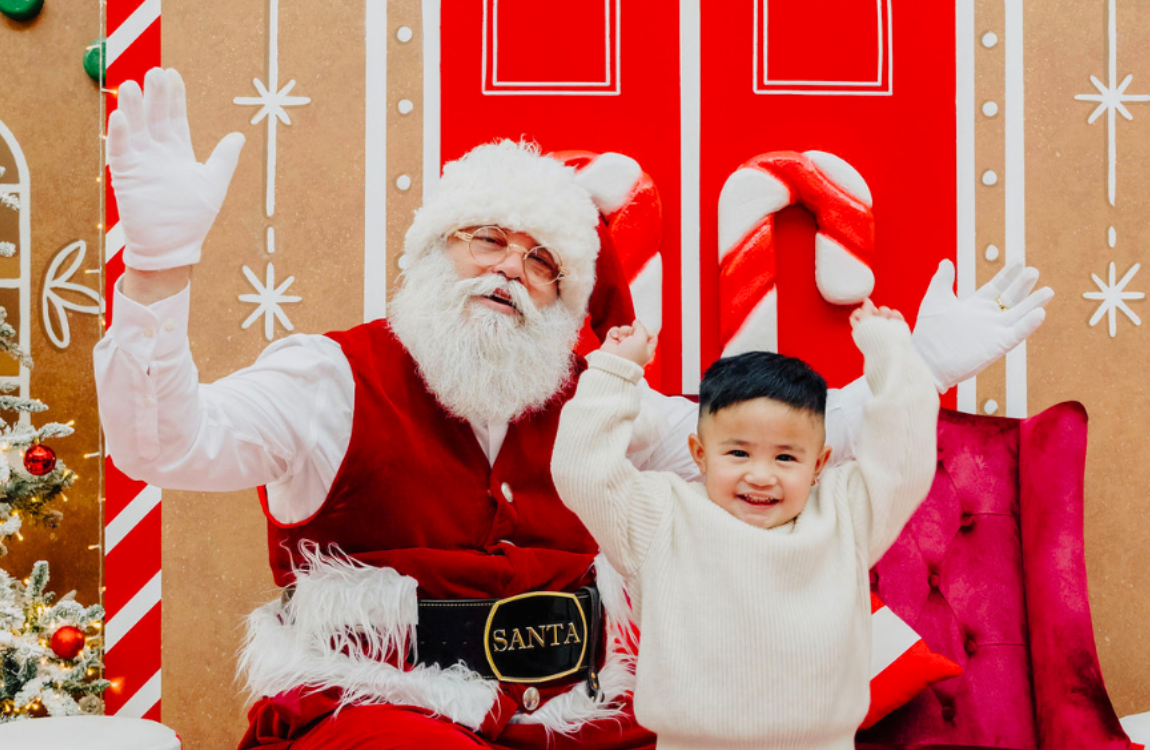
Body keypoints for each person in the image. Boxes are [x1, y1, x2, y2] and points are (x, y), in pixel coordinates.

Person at [93, 67, 1053, 750]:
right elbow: (166, 444)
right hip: (383, 708)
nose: (511, 268)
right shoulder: (329, 377)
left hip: (581, 709)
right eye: (486, 241)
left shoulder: (601, 406)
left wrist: (919, 366)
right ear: (430, 255)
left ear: (567, 308)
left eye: (542, 262)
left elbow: (784, 448)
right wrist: (157, 270)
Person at [551, 301, 937, 750]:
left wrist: (890, 351)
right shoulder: (660, 515)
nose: (761, 475)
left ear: (819, 464)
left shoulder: (845, 515)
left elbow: (902, 461)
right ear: (699, 455)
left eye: (786, 457)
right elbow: (582, 473)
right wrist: (616, 370)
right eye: (738, 453)